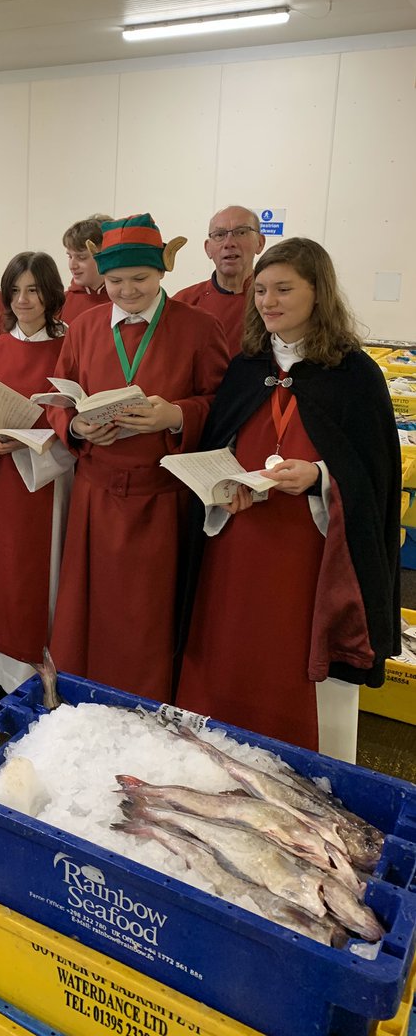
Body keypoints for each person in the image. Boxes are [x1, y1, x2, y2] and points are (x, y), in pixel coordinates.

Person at [175, 238, 401, 759]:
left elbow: (375, 479)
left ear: (318, 292)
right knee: (230, 645)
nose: (268, 302)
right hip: (238, 541)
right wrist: (224, 486)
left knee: (289, 656)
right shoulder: (246, 366)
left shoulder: (354, 375)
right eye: (260, 291)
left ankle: (299, 765)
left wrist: (320, 476)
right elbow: (224, 441)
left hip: (309, 552)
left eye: (283, 289)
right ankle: (217, 757)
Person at [48, 214, 230, 702]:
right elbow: (59, 398)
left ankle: (144, 708)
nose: (127, 291)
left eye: (140, 279)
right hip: (95, 493)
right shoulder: (85, 326)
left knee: (147, 617)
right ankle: (83, 702)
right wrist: (76, 426)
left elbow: (222, 405)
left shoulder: (199, 327)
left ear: (163, 272)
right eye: (115, 281)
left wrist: (177, 415)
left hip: (161, 498)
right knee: (89, 611)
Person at [0, 252, 74, 691]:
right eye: (16, 290)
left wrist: (33, 443)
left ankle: (35, 672)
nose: (23, 300)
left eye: (34, 290)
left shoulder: (69, 348)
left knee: (36, 577)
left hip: (45, 478)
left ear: (51, 294)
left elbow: (72, 414)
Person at [173, 205, 265, 353]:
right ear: (208, 248)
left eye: (241, 232)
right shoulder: (182, 303)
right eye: (220, 235)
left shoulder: (274, 303)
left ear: (260, 243)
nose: (229, 243)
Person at [60, 214, 112, 325]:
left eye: (81, 257)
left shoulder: (125, 302)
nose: (72, 265)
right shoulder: (60, 304)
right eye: (70, 256)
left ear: (105, 255)